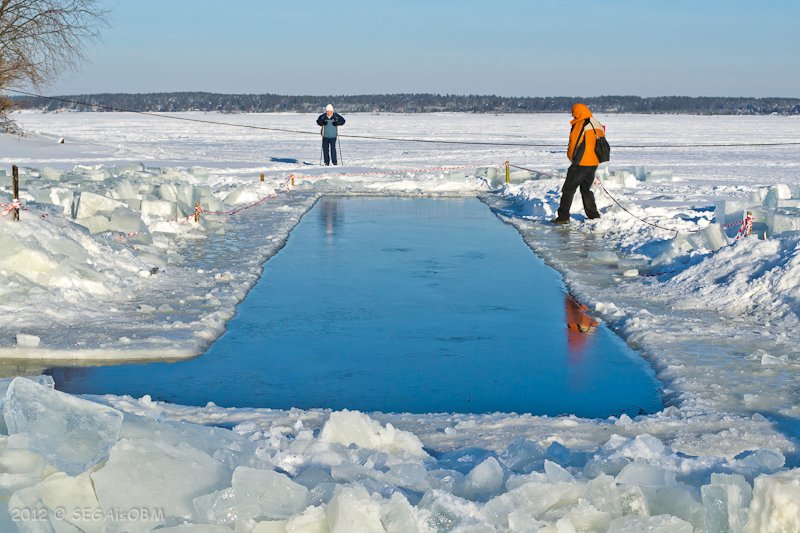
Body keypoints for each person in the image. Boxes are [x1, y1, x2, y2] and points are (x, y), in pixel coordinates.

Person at [552, 103, 605, 224]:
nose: (572, 114)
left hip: (581, 163)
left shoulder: (581, 124)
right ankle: (593, 215)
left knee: (568, 190)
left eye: (573, 112)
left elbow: (574, 144)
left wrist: (571, 158)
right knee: (586, 190)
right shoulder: (596, 123)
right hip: (593, 162)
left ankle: (563, 217)